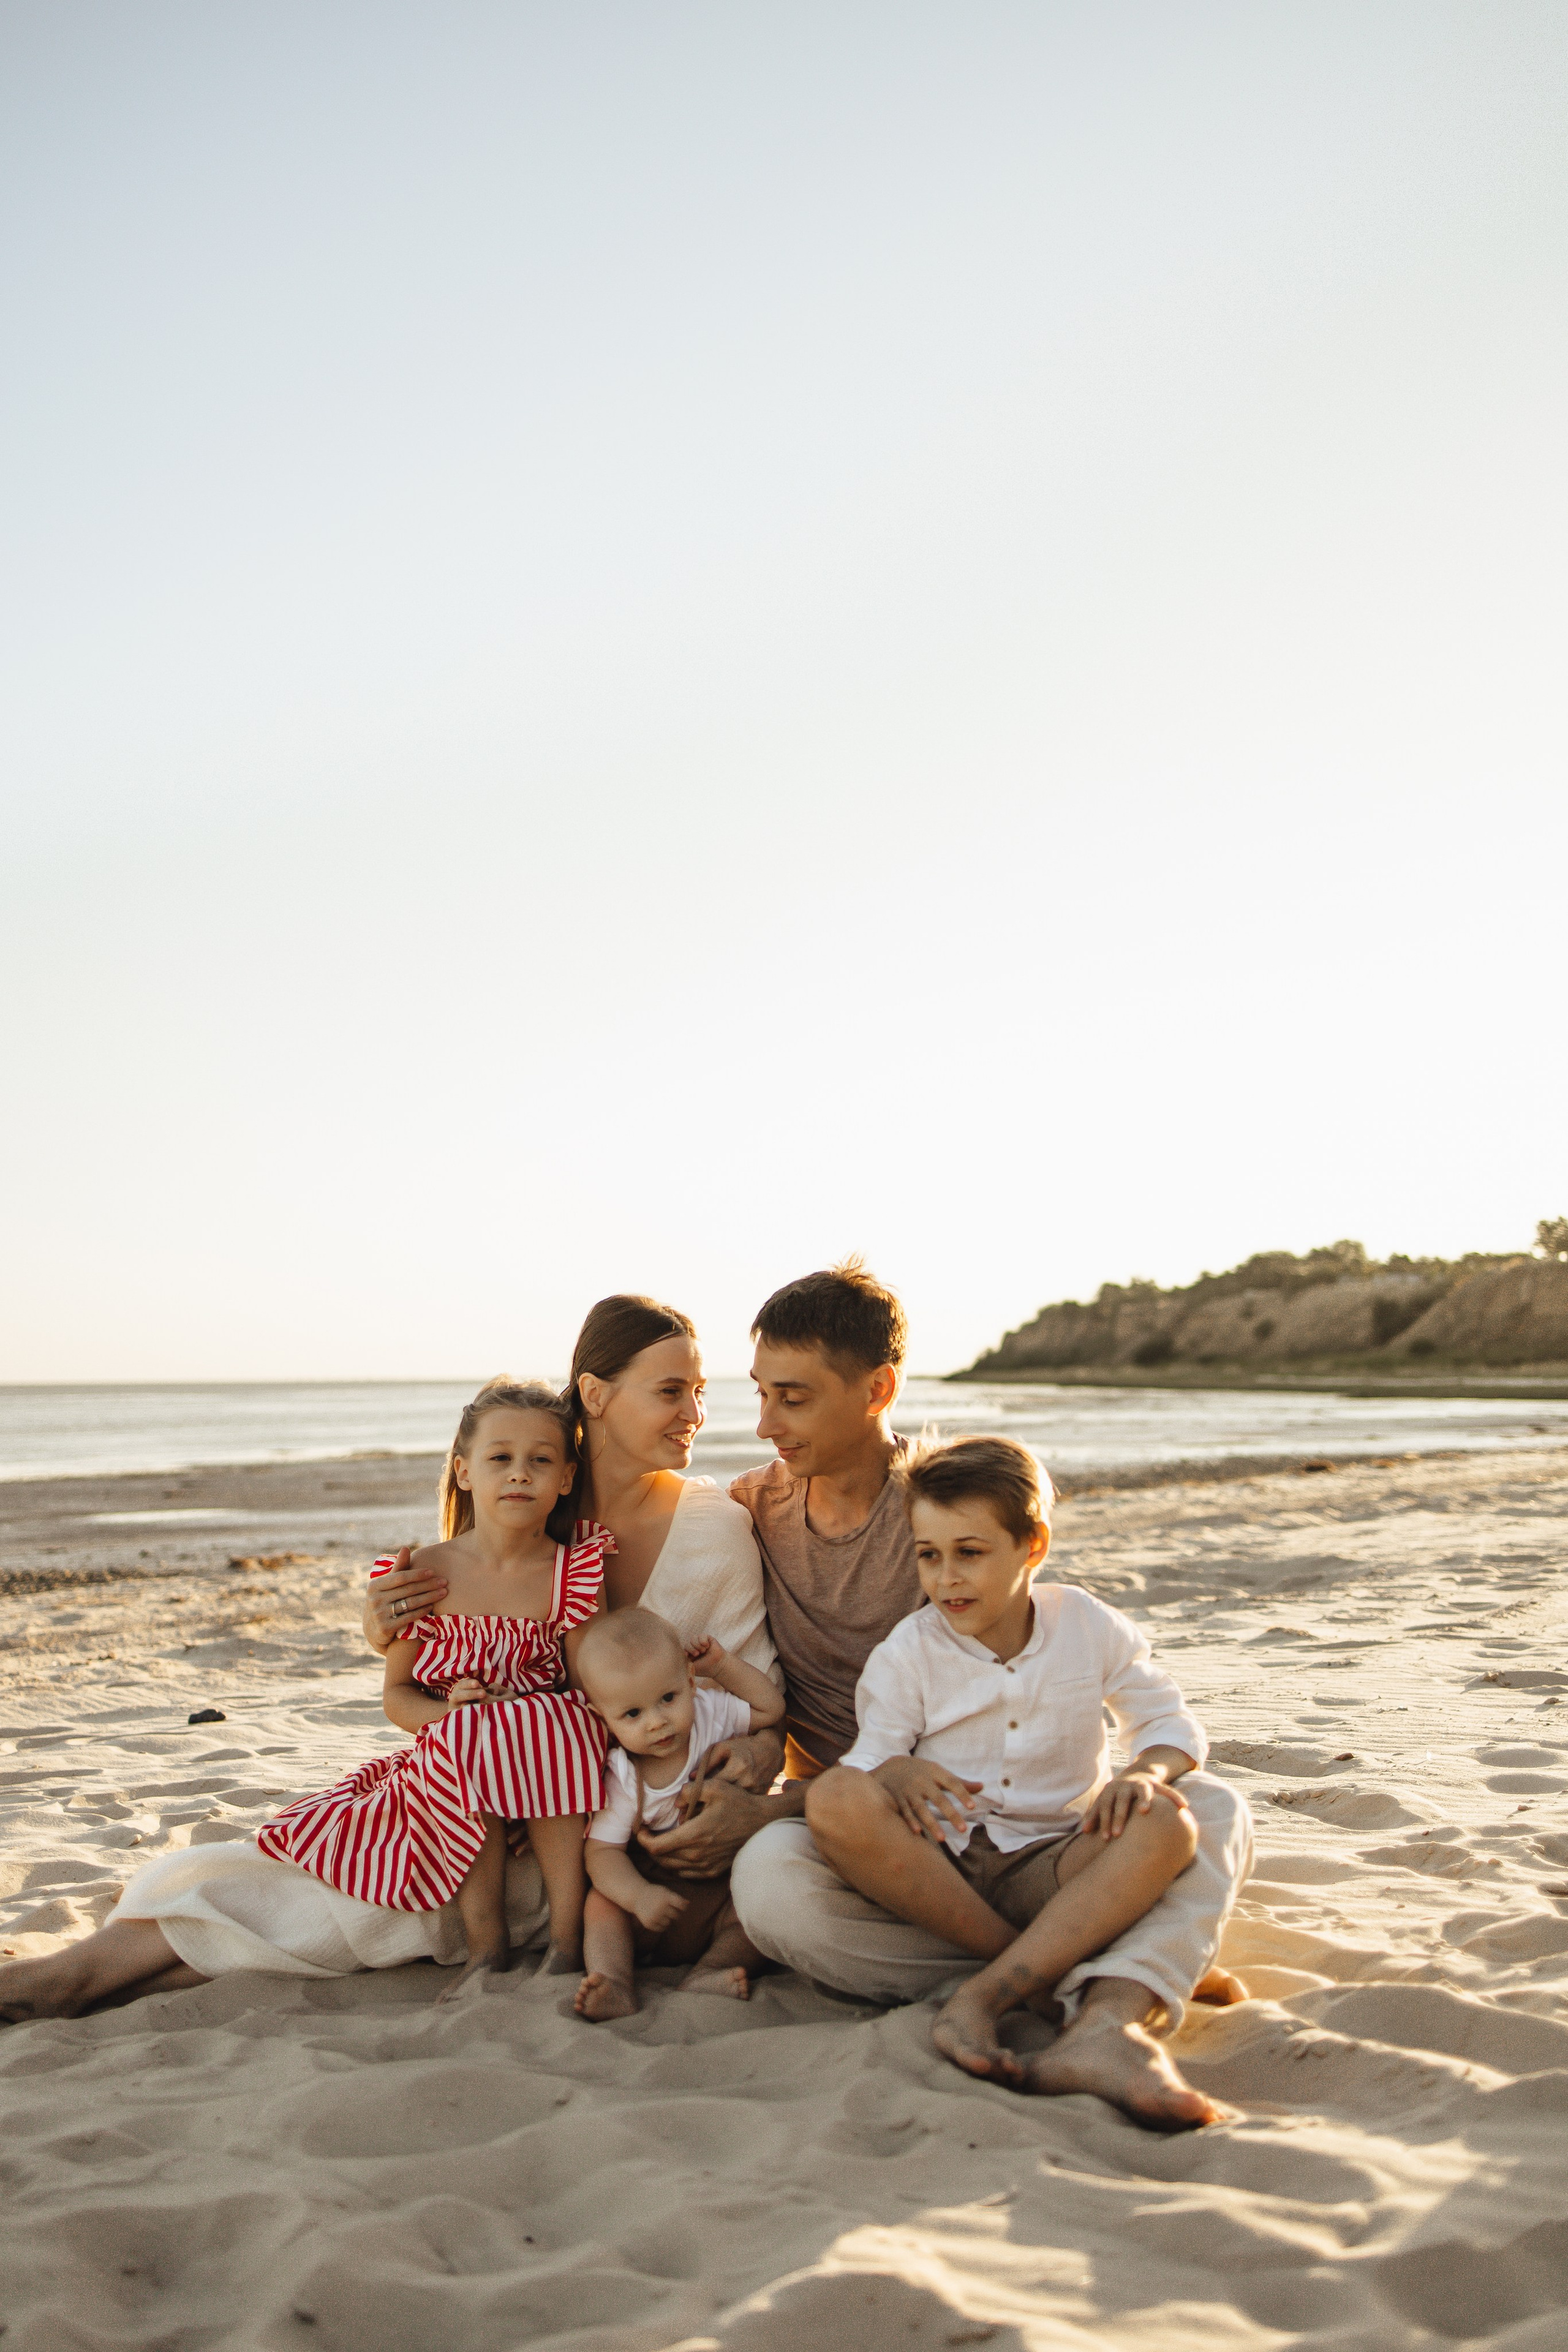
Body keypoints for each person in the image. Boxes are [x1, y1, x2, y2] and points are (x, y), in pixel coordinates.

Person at [645, 1259, 1251, 2133]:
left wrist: (772, 1804)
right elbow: (627, 1568)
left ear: (877, 1388)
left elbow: (1031, 1678)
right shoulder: (751, 1512)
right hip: (887, 1844)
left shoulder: (945, 1512)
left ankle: (1093, 2008)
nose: (766, 1423)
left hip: (1019, 1820)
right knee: (773, 1887)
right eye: (761, 1394)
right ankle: (1086, 1965)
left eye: (795, 1398)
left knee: (1214, 1807)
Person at [805, 1433, 1208, 2108]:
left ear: (1033, 1547)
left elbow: (1168, 1722)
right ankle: (1034, 1968)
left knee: (1169, 1820)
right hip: (943, 1863)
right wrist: (893, 1772)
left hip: (1054, 1865)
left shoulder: (1083, 1622)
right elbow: (870, 1755)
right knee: (836, 1797)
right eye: (927, 1556)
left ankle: (983, 1994)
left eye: (970, 1554)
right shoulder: (910, 1651)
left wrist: (1145, 1773)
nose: (945, 1579)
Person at [257, 1379, 608, 1996]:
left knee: (553, 1728)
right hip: (456, 1751)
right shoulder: (426, 1575)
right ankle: (486, 1948)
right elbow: (397, 1696)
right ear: (465, 1471)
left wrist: (527, 1716)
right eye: (500, 1458)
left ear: (566, 1478)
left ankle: (568, 1941)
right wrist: (451, 1712)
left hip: (550, 1753)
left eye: (540, 1460)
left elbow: (586, 1690)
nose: (520, 1474)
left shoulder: (571, 1572)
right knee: (476, 1738)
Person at [571, 1611, 785, 2021]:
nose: (657, 1723)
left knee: (762, 1910)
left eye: (668, 1699)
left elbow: (770, 1709)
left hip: (718, 1893)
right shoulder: (622, 1775)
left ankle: (710, 1973)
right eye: (632, 1714)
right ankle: (613, 1979)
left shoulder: (711, 1715)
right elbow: (601, 1854)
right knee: (601, 1903)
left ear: (690, 1683)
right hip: (653, 1901)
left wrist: (723, 1667)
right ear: (605, 1720)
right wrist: (638, 1896)